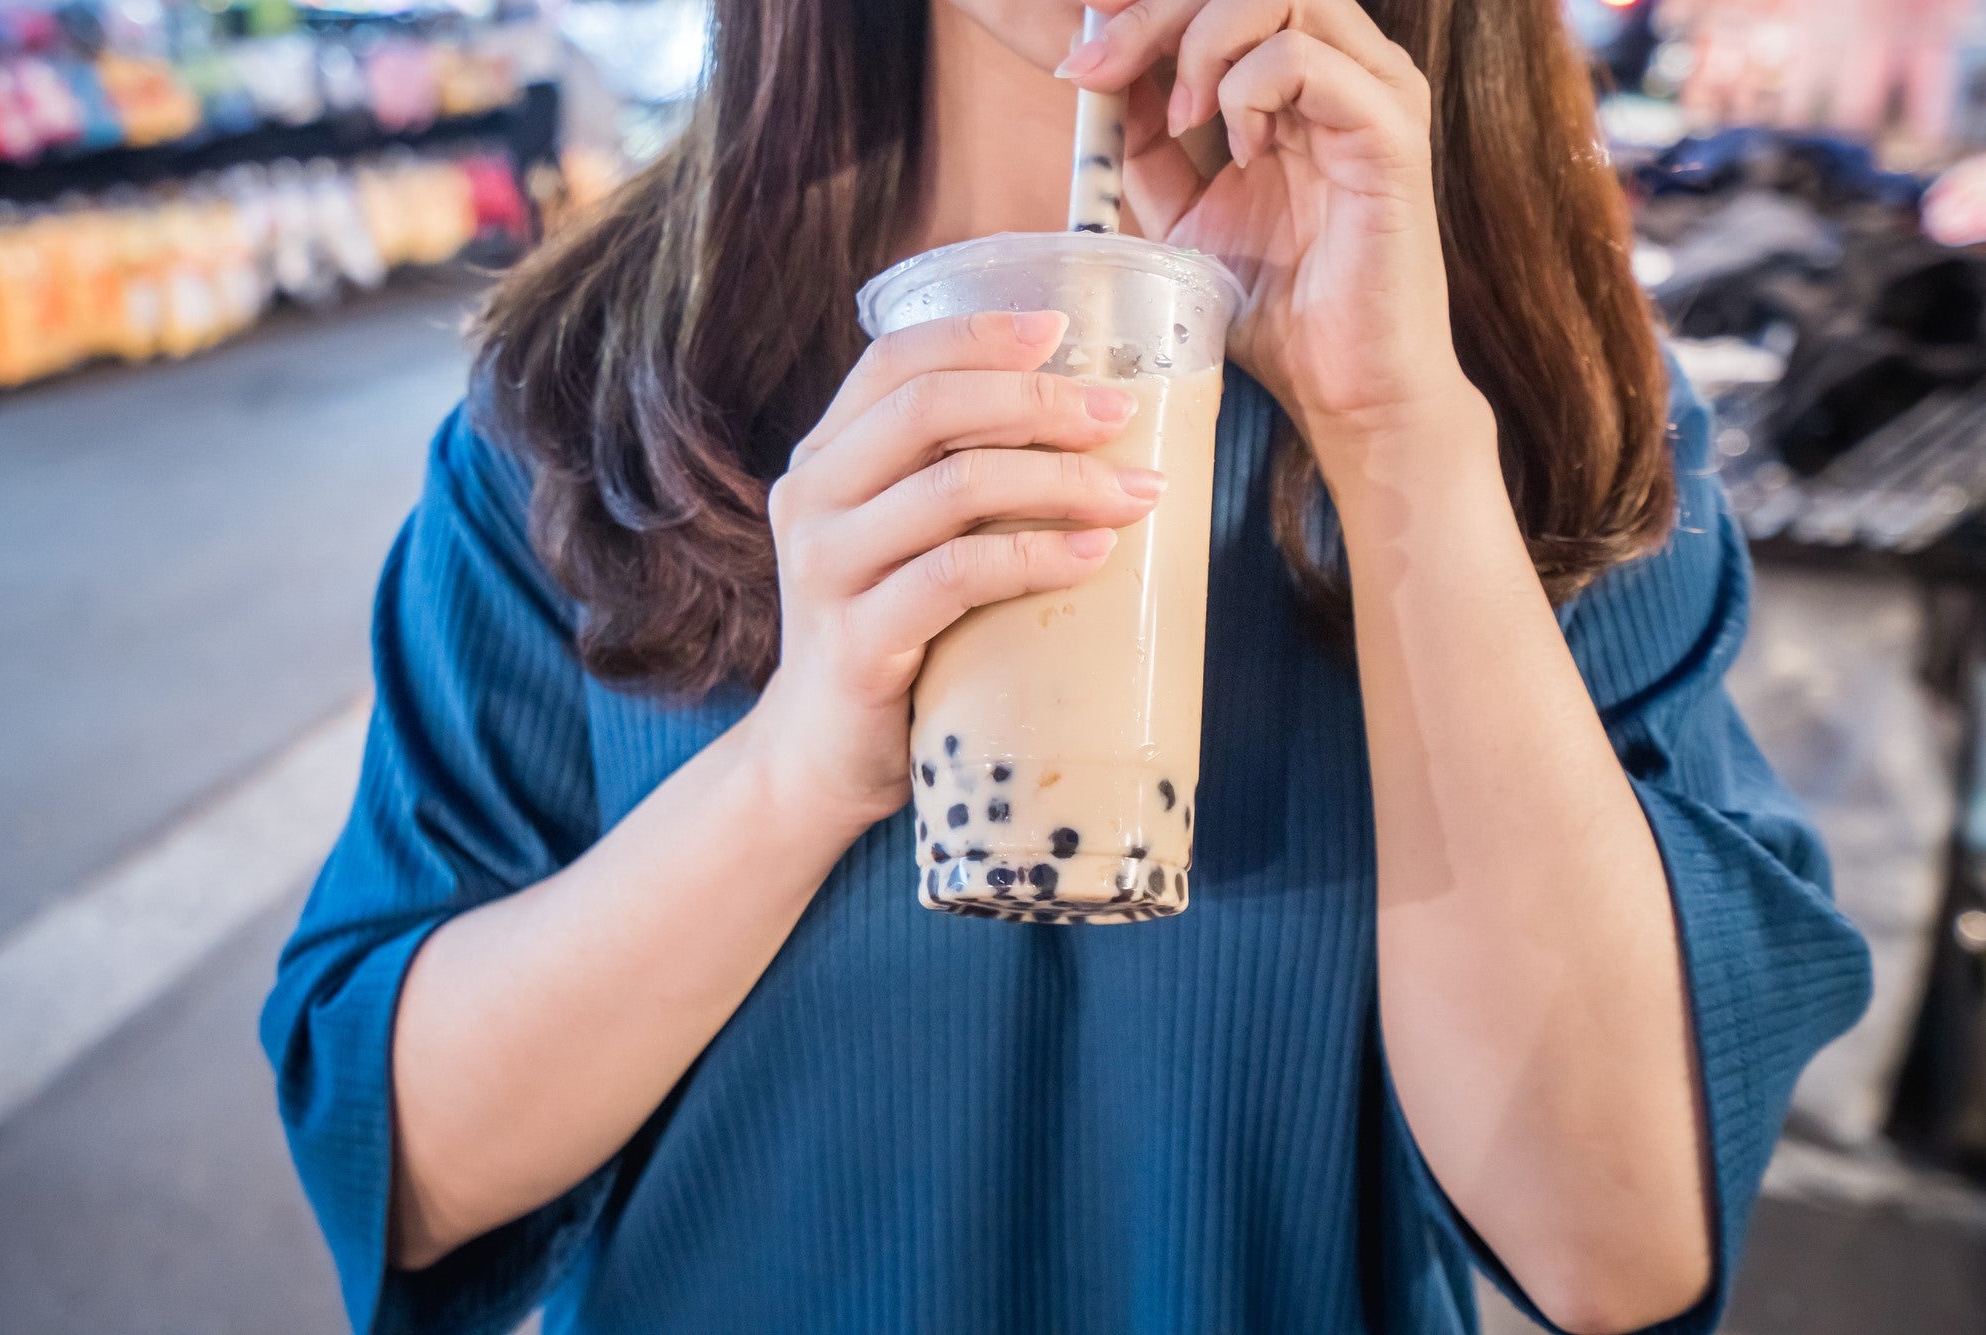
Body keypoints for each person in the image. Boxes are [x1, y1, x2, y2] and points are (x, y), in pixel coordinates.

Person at [262, 1, 1872, 1331]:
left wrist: (1393, 440)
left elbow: (1616, 1244)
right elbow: (408, 1161)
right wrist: (792, 773)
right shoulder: (598, 398)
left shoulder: (1530, 411)